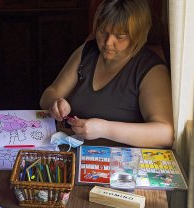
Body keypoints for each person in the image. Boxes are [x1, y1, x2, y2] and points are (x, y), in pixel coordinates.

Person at [40, 0, 174, 148]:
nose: (108, 42)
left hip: (121, 164)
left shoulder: (151, 70)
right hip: (73, 152)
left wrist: (105, 129)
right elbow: (49, 93)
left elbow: (166, 134)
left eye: (120, 36)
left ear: (138, 35)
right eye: (103, 32)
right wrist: (55, 104)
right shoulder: (87, 52)